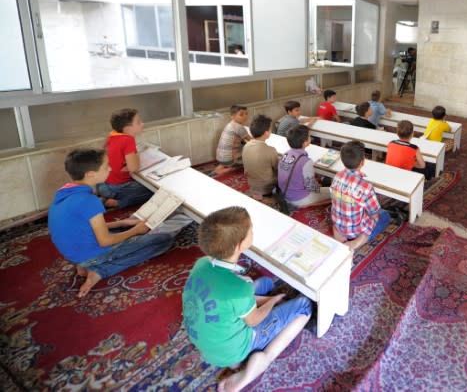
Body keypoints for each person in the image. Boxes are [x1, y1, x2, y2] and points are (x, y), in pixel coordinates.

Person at [182, 207, 312, 392]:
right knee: (305, 306)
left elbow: (230, 299)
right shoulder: (240, 288)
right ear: (240, 245)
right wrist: (272, 302)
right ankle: (252, 368)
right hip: (234, 348)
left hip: (207, 345)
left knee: (265, 283)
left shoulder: (201, 263)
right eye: (251, 230)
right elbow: (254, 320)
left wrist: (263, 299)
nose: (253, 231)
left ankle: (237, 362)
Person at [49, 148, 174, 297]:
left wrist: (122, 223)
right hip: (90, 253)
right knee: (164, 241)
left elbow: (82, 226)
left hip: (73, 251)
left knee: (122, 231)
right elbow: (105, 241)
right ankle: (99, 270)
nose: (110, 168)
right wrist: (135, 231)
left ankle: (84, 264)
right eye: (106, 166)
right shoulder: (89, 201)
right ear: (90, 174)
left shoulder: (64, 191)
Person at [329, 141, 392, 250]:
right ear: (362, 162)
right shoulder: (365, 187)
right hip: (356, 231)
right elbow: (374, 213)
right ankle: (358, 241)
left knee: (351, 207)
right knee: (385, 215)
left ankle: (339, 234)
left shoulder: (337, 176)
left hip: (339, 224)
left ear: (342, 160)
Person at [97, 108, 154, 209]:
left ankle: (105, 196)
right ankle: (117, 203)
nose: (142, 123)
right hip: (119, 187)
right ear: (127, 128)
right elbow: (134, 168)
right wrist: (135, 158)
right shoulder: (127, 140)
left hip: (103, 184)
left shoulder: (112, 135)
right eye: (138, 122)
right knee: (154, 190)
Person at [277, 125, 330, 208]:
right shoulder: (306, 161)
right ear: (305, 142)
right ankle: (307, 205)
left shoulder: (285, 154)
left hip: (284, 193)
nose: (310, 137)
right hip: (299, 199)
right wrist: (318, 187)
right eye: (309, 136)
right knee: (332, 192)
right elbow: (311, 186)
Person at [242, 115, 279, 201]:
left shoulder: (246, 145)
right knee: (286, 170)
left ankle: (257, 193)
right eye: (270, 129)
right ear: (266, 133)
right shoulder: (271, 150)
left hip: (251, 182)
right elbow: (277, 168)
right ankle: (269, 194)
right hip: (266, 185)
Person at [215, 105, 253, 175]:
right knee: (250, 150)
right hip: (229, 160)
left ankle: (221, 166)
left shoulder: (229, 125)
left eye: (246, 114)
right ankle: (230, 167)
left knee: (241, 146)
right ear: (232, 116)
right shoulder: (239, 127)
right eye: (241, 114)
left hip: (219, 157)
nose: (245, 116)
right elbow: (252, 141)